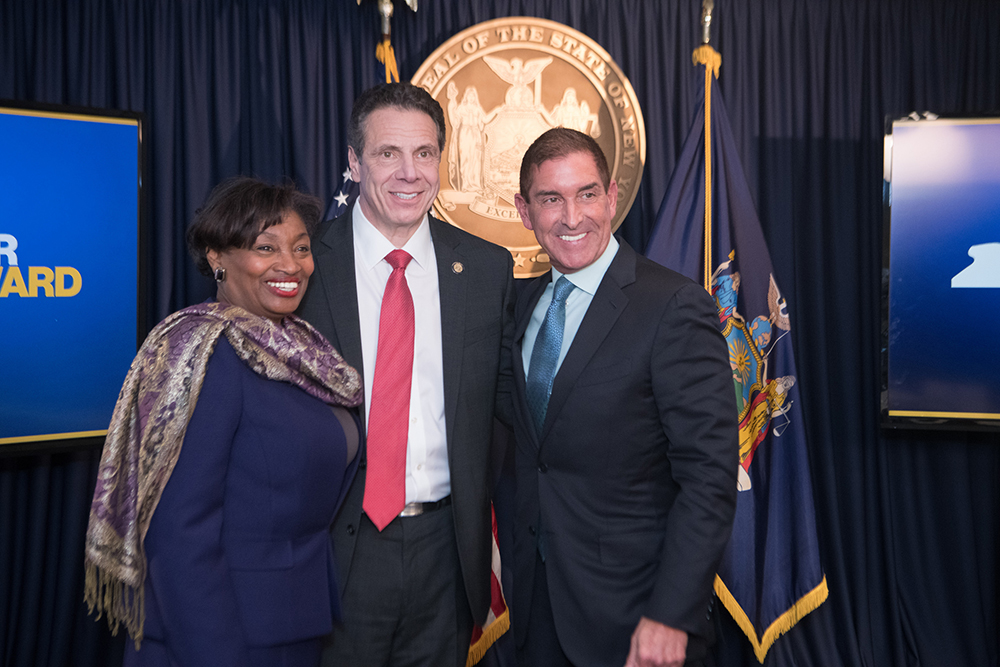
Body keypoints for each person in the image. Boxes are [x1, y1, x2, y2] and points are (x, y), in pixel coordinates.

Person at [84, 177, 364, 667]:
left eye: (301, 248)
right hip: (214, 636)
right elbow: (177, 533)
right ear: (218, 257)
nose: (290, 265)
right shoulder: (204, 353)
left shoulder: (304, 349)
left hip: (293, 626)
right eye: (265, 247)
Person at [296, 82, 515, 667]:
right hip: (337, 548)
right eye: (387, 154)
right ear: (353, 162)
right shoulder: (305, 265)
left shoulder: (487, 268)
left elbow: (502, 406)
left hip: (448, 551)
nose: (409, 173)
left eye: (423, 154)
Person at [510, 128, 739, 667]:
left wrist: (671, 615)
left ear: (612, 196)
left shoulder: (674, 306)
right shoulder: (520, 306)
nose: (572, 217)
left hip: (638, 620)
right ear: (524, 211)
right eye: (550, 199)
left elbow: (709, 478)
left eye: (587, 194)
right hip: (535, 613)